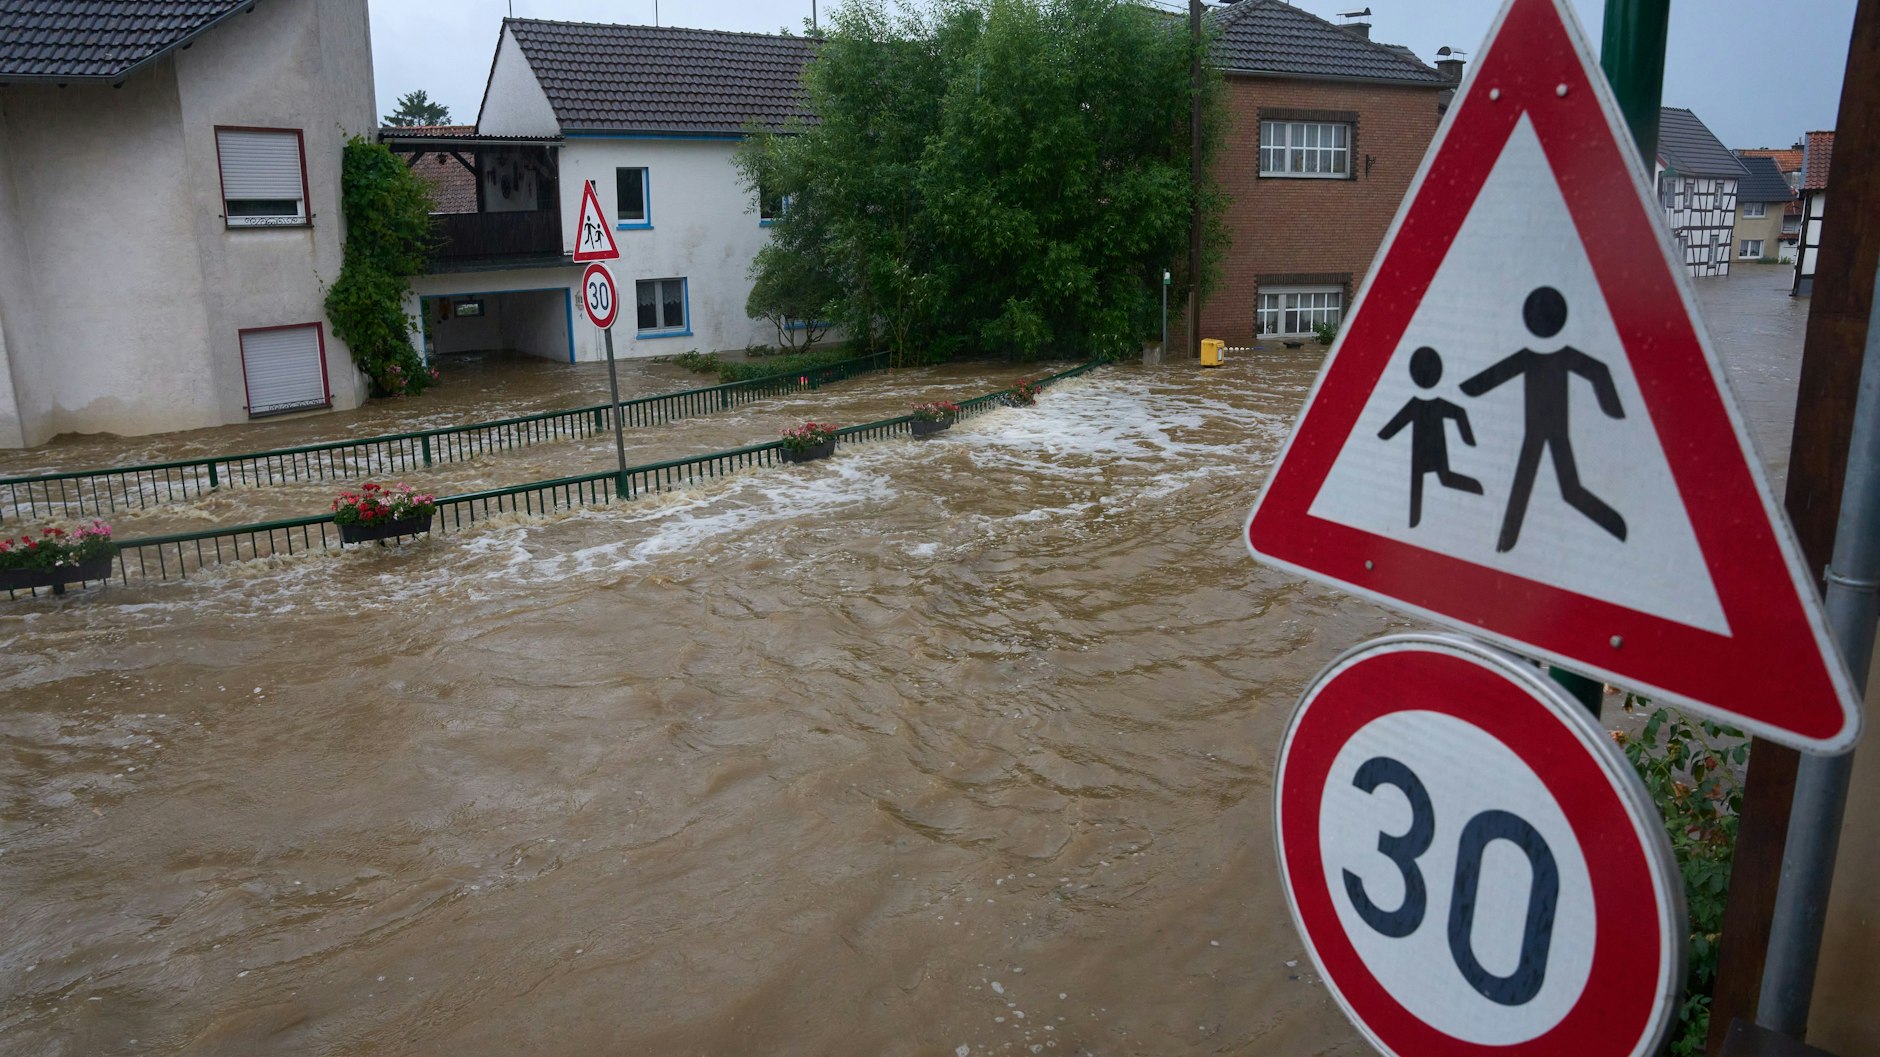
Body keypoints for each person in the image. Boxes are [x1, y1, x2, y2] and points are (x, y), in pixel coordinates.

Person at [1459, 286, 1627, 552]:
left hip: (1550, 431)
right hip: (1540, 432)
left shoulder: (1541, 358)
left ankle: (1614, 524)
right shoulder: (1548, 357)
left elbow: (1490, 378)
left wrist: (1613, 409)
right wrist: (1612, 408)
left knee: (1549, 486)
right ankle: (1507, 542)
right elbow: (1598, 371)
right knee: (1544, 485)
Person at [1378, 346, 1484, 527]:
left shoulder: (1417, 405)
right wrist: (1468, 440)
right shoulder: (1431, 405)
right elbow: (1459, 413)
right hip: (1429, 451)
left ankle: (1475, 488)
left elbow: (1393, 426)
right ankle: (1414, 521)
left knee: (1428, 481)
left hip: (1426, 451)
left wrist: (1382, 435)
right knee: (1432, 480)